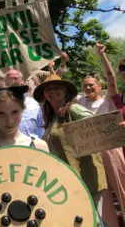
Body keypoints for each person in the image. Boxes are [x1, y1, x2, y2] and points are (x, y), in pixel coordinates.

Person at [33, 73, 107, 223]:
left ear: (66, 91)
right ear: (44, 95)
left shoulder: (74, 109)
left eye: (56, 87)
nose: (52, 91)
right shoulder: (52, 117)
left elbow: (95, 124)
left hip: (86, 177)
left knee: (92, 221)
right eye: (48, 89)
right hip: (67, 181)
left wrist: (114, 127)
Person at [90, 43, 125, 226]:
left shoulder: (111, 100)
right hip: (107, 151)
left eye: (92, 85)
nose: (88, 88)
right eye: (123, 68)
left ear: (99, 86)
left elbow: (110, 79)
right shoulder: (117, 99)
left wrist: (102, 55)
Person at [0, 86, 49, 155]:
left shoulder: (39, 146)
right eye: (1, 113)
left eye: (15, 112)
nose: (10, 121)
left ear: (22, 110)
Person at [5, 69, 45, 138]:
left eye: (16, 78)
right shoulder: (1, 105)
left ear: (22, 81)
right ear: (5, 83)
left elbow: (41, 128)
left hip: (32, 146)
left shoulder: (34, 103)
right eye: (9, 79)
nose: (13, 81)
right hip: (10, 146)